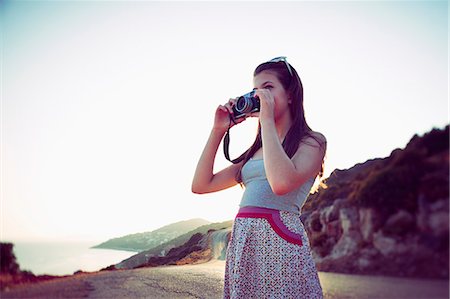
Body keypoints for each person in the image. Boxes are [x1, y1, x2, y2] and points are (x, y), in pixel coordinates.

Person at [192, 57, 326, 298]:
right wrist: (218, 130)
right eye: (255, 91)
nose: (259, 96)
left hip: (279, 238)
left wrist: (266, 120)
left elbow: (281, 183)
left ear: (290, 95)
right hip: (245, 240)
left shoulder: (312, 142)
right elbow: (201, 185)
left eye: (268, 88)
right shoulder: (256, 151)